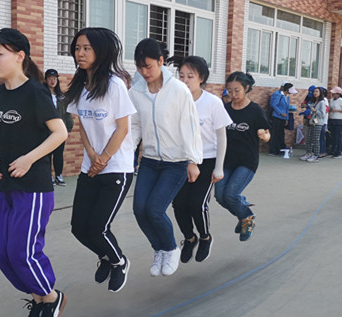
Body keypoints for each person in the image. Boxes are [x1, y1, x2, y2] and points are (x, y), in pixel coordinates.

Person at [0, 28, 69, 317]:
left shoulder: (36, 93)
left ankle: (52, 298)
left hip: (33, 187)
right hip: (4, 185)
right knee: (3, 254)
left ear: (19, 56)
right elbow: (4, 132)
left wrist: (29, 158)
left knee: (22, 252)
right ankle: (39, 299)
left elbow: (60, 133)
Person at [65, 28, 137, 293]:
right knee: (78, 228)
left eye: (87, 48)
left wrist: (104, 158)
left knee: (98, 227)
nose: (80, 53)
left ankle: (119, 261)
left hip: (116, 167)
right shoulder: (80, 85)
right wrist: (92, 155)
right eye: (77, 48)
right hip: (91, 167)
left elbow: (123, 128)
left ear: (101, 52)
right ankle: (105, 256)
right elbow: (82, 125)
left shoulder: (115, 85)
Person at [129, 38, 203, 277]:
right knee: (139, 209)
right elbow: (135, 125)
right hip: (150, 160)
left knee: (154, 209)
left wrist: (193, 160)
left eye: (148, 66)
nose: (144, 72)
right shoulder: (136, 91)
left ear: (161, 61)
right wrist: (128, 153)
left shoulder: (179, 90)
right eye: (140, 67)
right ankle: (159, 249)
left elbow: (190, 126)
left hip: (176, 162)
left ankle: (171, 248)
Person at [172, 56, 232, 263]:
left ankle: (205, 237)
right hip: (182, 160)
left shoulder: (213, 103)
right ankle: (190, 239)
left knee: (197, 204)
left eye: (190, 76)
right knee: (179, 204)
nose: (185, 80)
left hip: (207, 160)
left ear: (202, 78)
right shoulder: (176, 101)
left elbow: (222, 136)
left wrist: (219, 167)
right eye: (181, 76)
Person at [215, 71, 271, 241]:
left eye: (237, 90)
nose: (233, 94)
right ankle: (243, 213)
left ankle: (246, 217)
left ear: (247, 88)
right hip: (226, 160)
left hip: (247, 162)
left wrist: (264, 136)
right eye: (230, 91)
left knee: (230, 195)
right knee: (220, 197)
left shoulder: (255, 110)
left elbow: (268, 134)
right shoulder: (225, 109)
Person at [43, 69, 74, 186]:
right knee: (47, 154)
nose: (52, 81)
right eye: (50, 79)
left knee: (58, 154)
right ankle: (48, 176)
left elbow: (67, 113)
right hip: (46, 130)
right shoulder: (43, 95)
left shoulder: (62, 97)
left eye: (54, 79)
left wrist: (68, 128)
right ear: (46, 80)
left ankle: (58, 176)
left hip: (60, 130)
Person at [303, 87, 327, 163]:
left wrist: (315, 110)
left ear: (320, 93)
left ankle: (316, 155)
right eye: (314, 92)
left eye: (317, 91)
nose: (315, 93)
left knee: (316, 139)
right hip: (312, 122)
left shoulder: (322, 102)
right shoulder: (314, 101)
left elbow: (322, 114)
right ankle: (308, 153)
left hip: (318, 123)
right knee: (309, 138)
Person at [269, 82, 293, 156]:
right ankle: (273, 150)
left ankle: (280, 149)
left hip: (283, 118)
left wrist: (286, 118)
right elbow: (274, 105)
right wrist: (280, 113)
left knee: (281, 134)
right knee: (275, 134)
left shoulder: (287, 97)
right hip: (277, 117)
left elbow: (287, 108)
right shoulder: (279, 95)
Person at [328, 86, 342, 158]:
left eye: (334, 94)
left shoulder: (341, 100)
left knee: (338, 137)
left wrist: (336, 110)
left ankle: (338, 151)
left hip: (338, 120)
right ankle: (333, 149)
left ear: (338, 94)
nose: (333, 95)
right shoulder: (331, 100)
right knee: (332, 136)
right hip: (332, 119)